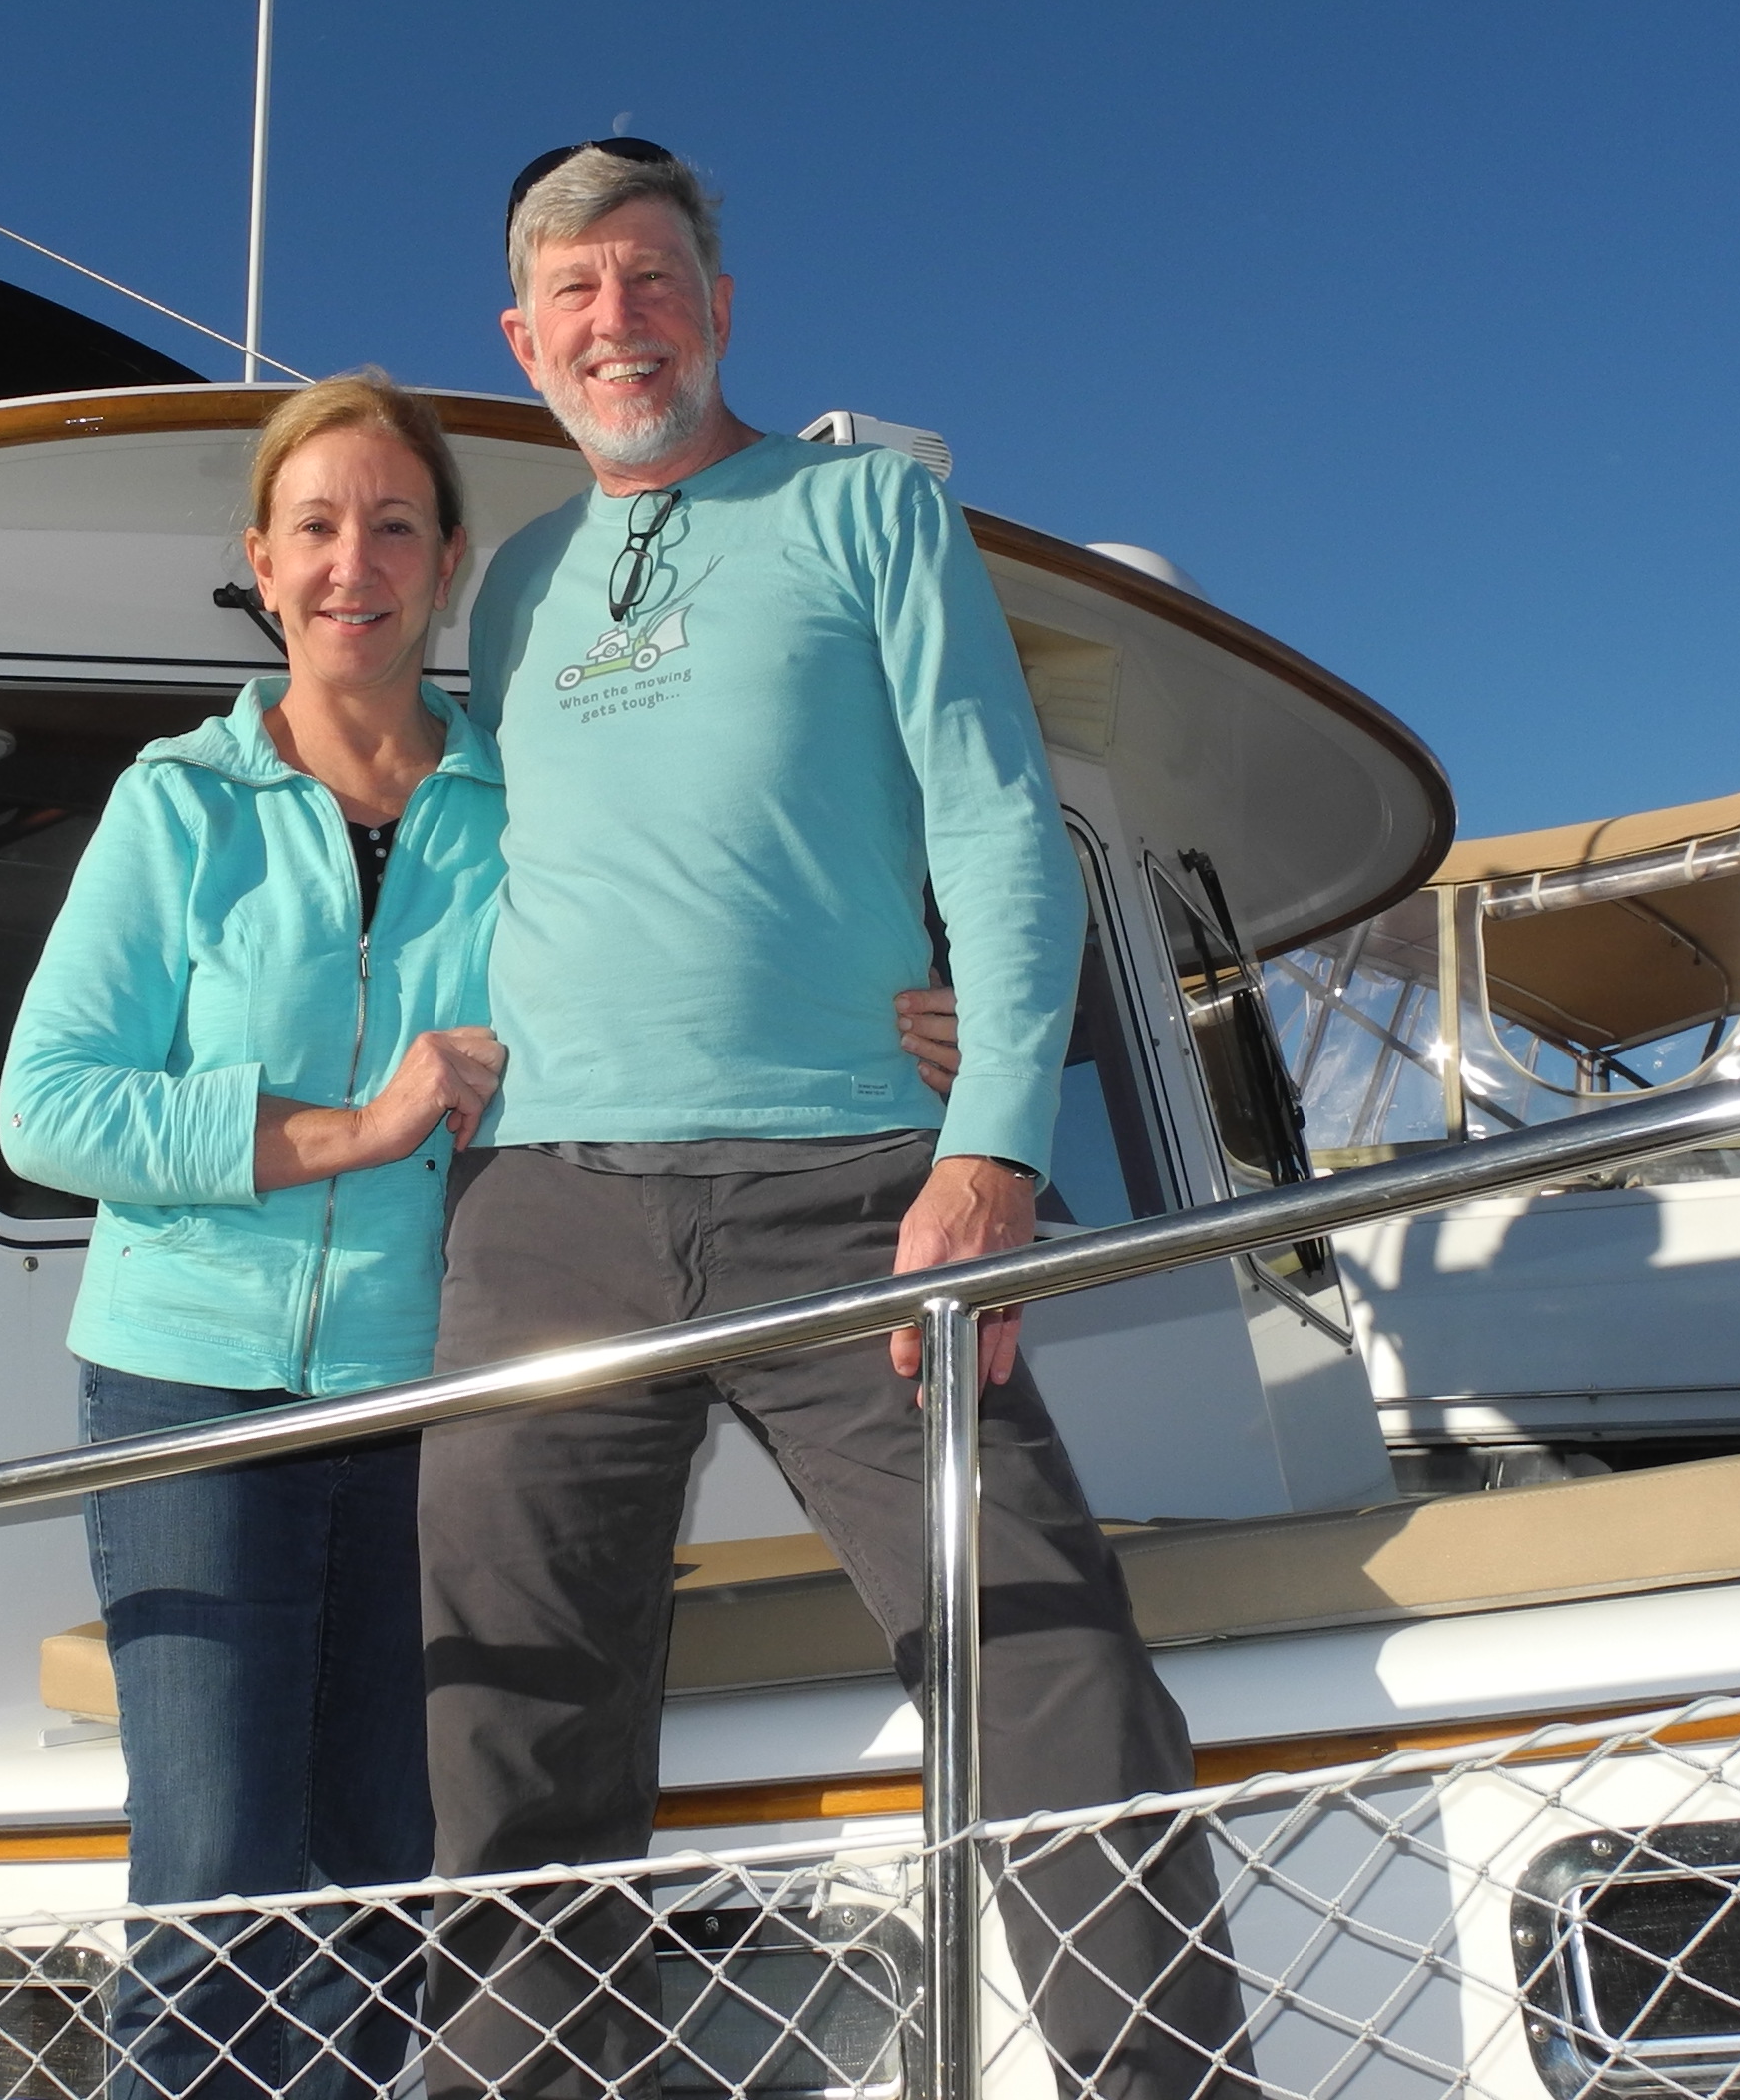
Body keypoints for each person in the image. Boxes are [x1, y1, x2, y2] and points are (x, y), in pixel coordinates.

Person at [418, 141, 1243, 2100]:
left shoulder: (868, 509)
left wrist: (996, 1138)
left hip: (853, 1185)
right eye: (576, 290)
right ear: (523, 338)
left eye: (652, 277)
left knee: (1035, 1647)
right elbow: (510, 871)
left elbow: (995, 824)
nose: (619, 320)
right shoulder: (516, 588)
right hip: (546, 1215)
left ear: (718, 305)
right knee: (512, 1721)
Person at [1, 371, 505, 2100]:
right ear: (264, 565)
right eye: (317, 526)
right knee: (213, 1887)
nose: (354, 561)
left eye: (393, 525)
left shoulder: (521, 817)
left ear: (447, 561)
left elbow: (650, 1018)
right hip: (187, 1392)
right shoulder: (180, 805)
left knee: (384, 1877)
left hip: (420, 1392)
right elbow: (49, 1108)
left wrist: (882, 1021)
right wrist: (354, 1128)